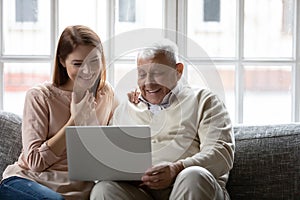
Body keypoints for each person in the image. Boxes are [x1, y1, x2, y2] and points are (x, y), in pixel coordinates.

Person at [90, 39, 235, 200]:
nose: (148, 83)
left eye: (158, 73)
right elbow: (109, 158)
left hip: (192, 187)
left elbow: (221, 154)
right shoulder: (126, 109)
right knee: (103, 189)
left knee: (193, 176)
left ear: (178, 71)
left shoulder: (204, 100)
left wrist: (176, 169)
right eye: (142, 74)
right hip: (143, 192)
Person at [0, 25, 117, 200]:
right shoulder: (40, 96)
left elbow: (117, 140)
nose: (88, 71)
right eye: (77, 64)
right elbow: (35, 163)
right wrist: (74, 121)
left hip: (78, 189)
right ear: (62, 61)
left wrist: (138, 102)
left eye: (94, 61)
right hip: (27, 182)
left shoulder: (105, 93)